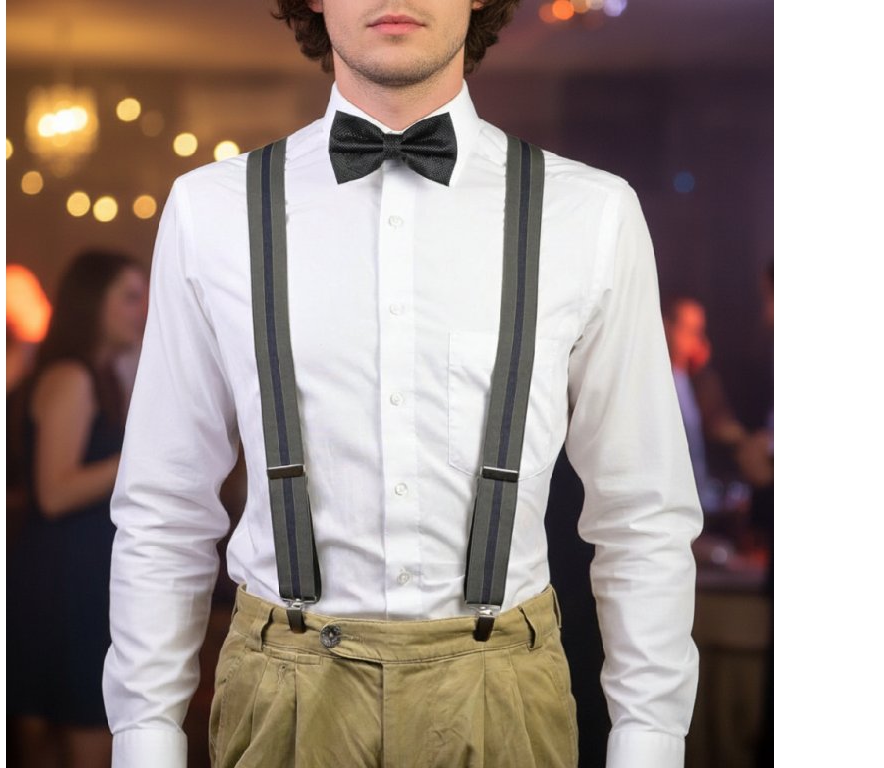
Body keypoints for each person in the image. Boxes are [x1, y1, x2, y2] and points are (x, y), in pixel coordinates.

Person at [104, 2, 703, 766]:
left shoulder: (591, 214)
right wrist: (145, 741)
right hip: (281, 697)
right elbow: (164, 511)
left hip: (504, 700)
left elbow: (643, 515)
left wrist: (649, 744)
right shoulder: (209, 212)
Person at [8, 250, 148, 768]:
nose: (142, 310)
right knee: (80, 726)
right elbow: (55, 492)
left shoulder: (100, 373)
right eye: (129, 297)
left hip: (74, 573)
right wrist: (138, 457)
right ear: (93, 302)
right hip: (63, 581)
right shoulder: (72, 376)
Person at [662, 295, 747, 513]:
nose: (695, 339)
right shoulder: (656, 379)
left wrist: (704, 375)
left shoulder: (695, 380)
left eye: (699, 331)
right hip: (672, 501)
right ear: (666, 325)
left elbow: (719, 424)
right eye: (689, 330)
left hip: (700, 496)